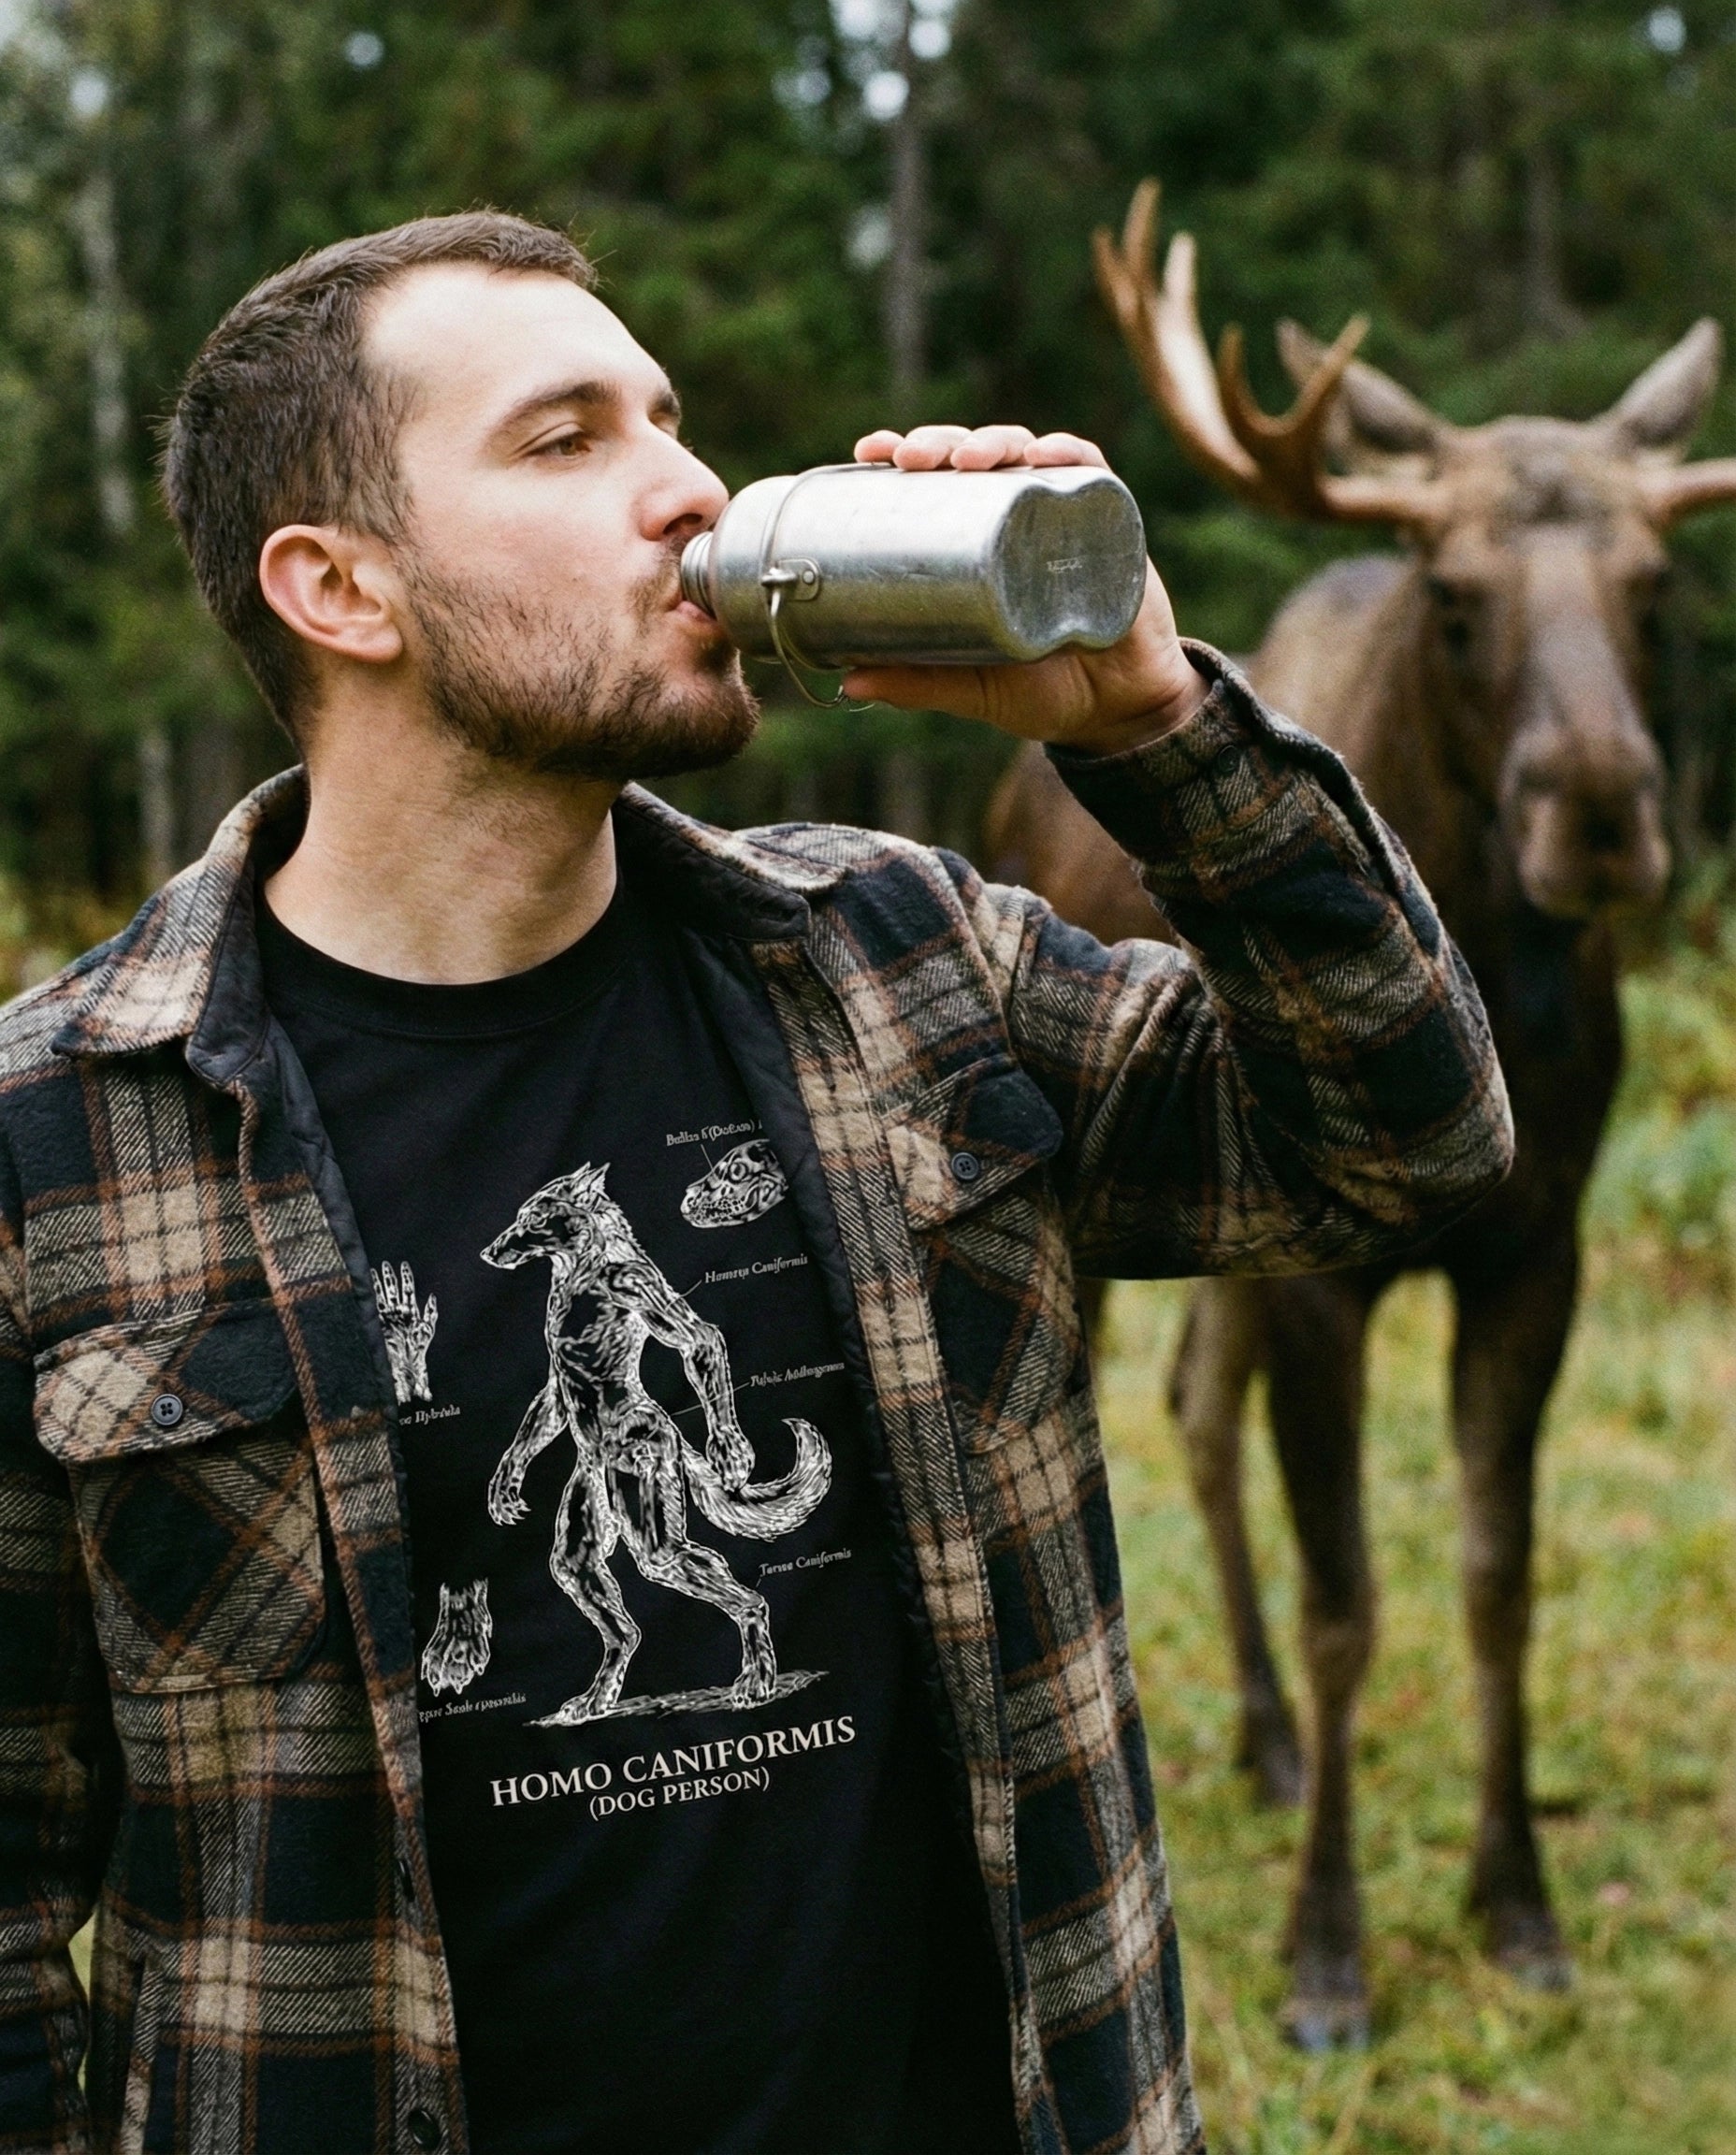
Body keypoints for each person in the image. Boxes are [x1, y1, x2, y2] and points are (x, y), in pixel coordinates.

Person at [0, 212, 1512, 2155]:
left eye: (669, 420)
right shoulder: (58, 1141)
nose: (691, 489)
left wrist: (1158, 729)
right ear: (340, 589)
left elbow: (1405, 1139)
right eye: (568, 441)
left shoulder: (910, 962)